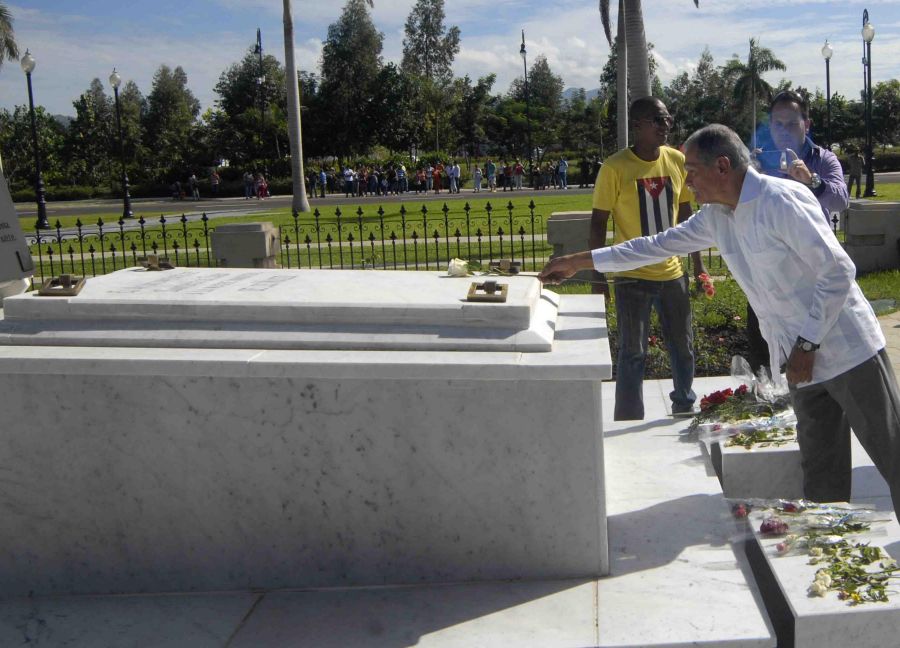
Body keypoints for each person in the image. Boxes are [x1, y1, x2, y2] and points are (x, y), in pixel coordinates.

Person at [539, 123, 900, 513]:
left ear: (722, 166)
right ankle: (830, 555)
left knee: (892, 456)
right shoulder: (716, 216)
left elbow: (838, 272)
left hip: (848, 350)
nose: (686, 180)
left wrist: (808, 343)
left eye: (692, 170)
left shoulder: (781, 202)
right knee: (821, 475)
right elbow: (656, 245)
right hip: (800, 362)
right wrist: (581, 261)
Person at [585, 96, 706, 421]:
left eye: (667, 119)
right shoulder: (614, 168)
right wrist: (598, 277)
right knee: (633, 352)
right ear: (637, 125)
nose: (666, 126)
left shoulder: (677, 160)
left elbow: (687, 215)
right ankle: (628, 415)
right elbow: (598, 223)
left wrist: (698, 266)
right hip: (630, 277)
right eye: (658, 120)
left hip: (672, 274)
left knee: (682, 347)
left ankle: (684, 405)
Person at [747, 90, 850, 375]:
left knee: (820, 345)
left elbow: (841, 200)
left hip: (813, 272)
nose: (784, 130)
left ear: (807, 123)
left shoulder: (823, 159)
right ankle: (769, 399)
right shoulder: (758, 165)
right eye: (777, 124)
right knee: (765, 345)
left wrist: (812, 181)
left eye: (792, 123)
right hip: (769, 270)